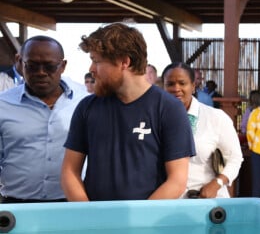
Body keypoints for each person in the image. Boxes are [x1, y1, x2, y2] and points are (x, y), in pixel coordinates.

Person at [61, 22, 195, 201]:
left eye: (96, 60)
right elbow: (70, 171)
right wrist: (88, 216)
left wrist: (136, 222)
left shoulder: (168, 108)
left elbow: (177, 181)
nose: (91, 69)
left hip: (147, 224)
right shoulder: (87, 107)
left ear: (124, 62)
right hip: (96, 224)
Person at [0, 35, 88, 203]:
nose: (41, 73)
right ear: (20, 62)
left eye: (49, 66)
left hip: (73, 204)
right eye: (32, 66)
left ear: (63, 66)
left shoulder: (85, 101)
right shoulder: (3, 104)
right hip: (17, 205)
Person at [162, 62, 243, 198]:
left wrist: (217, 183)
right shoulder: (154, 119)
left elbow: (235, 158)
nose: (176, 88)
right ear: (163, 87)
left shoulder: (215, 118)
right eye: (170, 84)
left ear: (193, 86)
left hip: (206, 199)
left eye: (182, 83)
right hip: (168, 201)